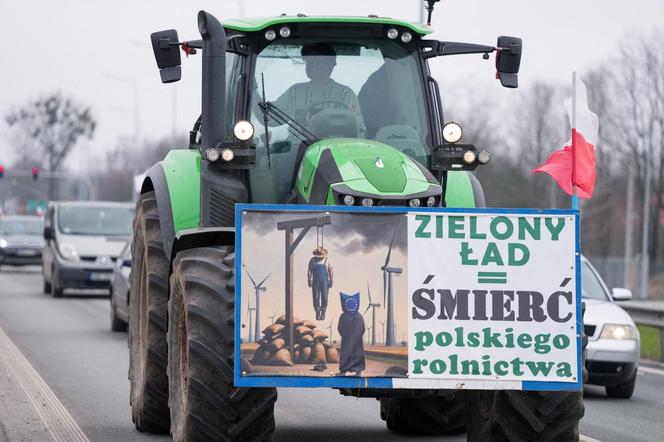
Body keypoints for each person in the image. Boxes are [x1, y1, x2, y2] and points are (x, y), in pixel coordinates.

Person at [271, 43, 366, 132]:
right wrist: (255, 90)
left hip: (334, 147)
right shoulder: (295, 91)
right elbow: (271, 119)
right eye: (309, 61)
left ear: (331, 65)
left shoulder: (345, 94)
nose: (312, 66)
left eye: (318, 62)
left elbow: (358, 129)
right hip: (298, 147)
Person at [337, 291, 366, 376]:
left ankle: (343, 371)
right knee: (358, 353)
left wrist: (345, 336)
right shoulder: (360, 316)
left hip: (346, 340)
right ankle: (358, 371)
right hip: (358, 341)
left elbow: (339, 329)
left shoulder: (343, 316)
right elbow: (363, 329)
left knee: (345, 354)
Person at [308, 246, 333, 320]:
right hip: (315, 281)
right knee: (316, 296)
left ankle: (323, 312)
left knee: (324, 296)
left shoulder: (327, 260)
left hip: (325, 281)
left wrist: (331, 280)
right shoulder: (312, 260)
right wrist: (309, 280)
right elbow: (310, 270)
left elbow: (330, 270)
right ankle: (317, 312)